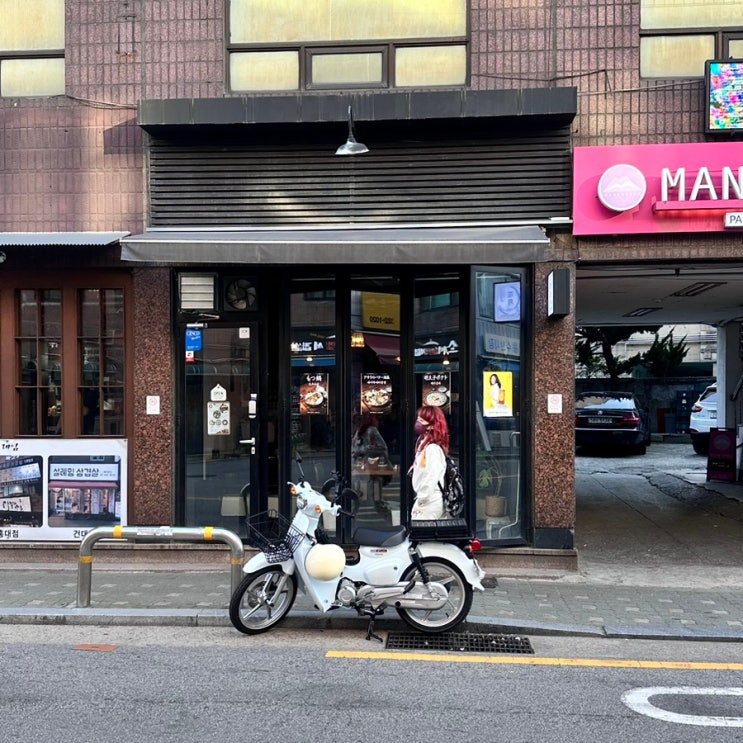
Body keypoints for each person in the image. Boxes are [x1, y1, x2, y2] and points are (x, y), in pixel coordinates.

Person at [409, 405, 450, 520]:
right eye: (418, 419)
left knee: (422, 530)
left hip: (429, 501)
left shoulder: (432, 449)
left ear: (432, 425)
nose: (418, 423)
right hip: (427, 500)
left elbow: (431, 476)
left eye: (422, 420)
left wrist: (422, 498)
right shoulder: (424, 443)